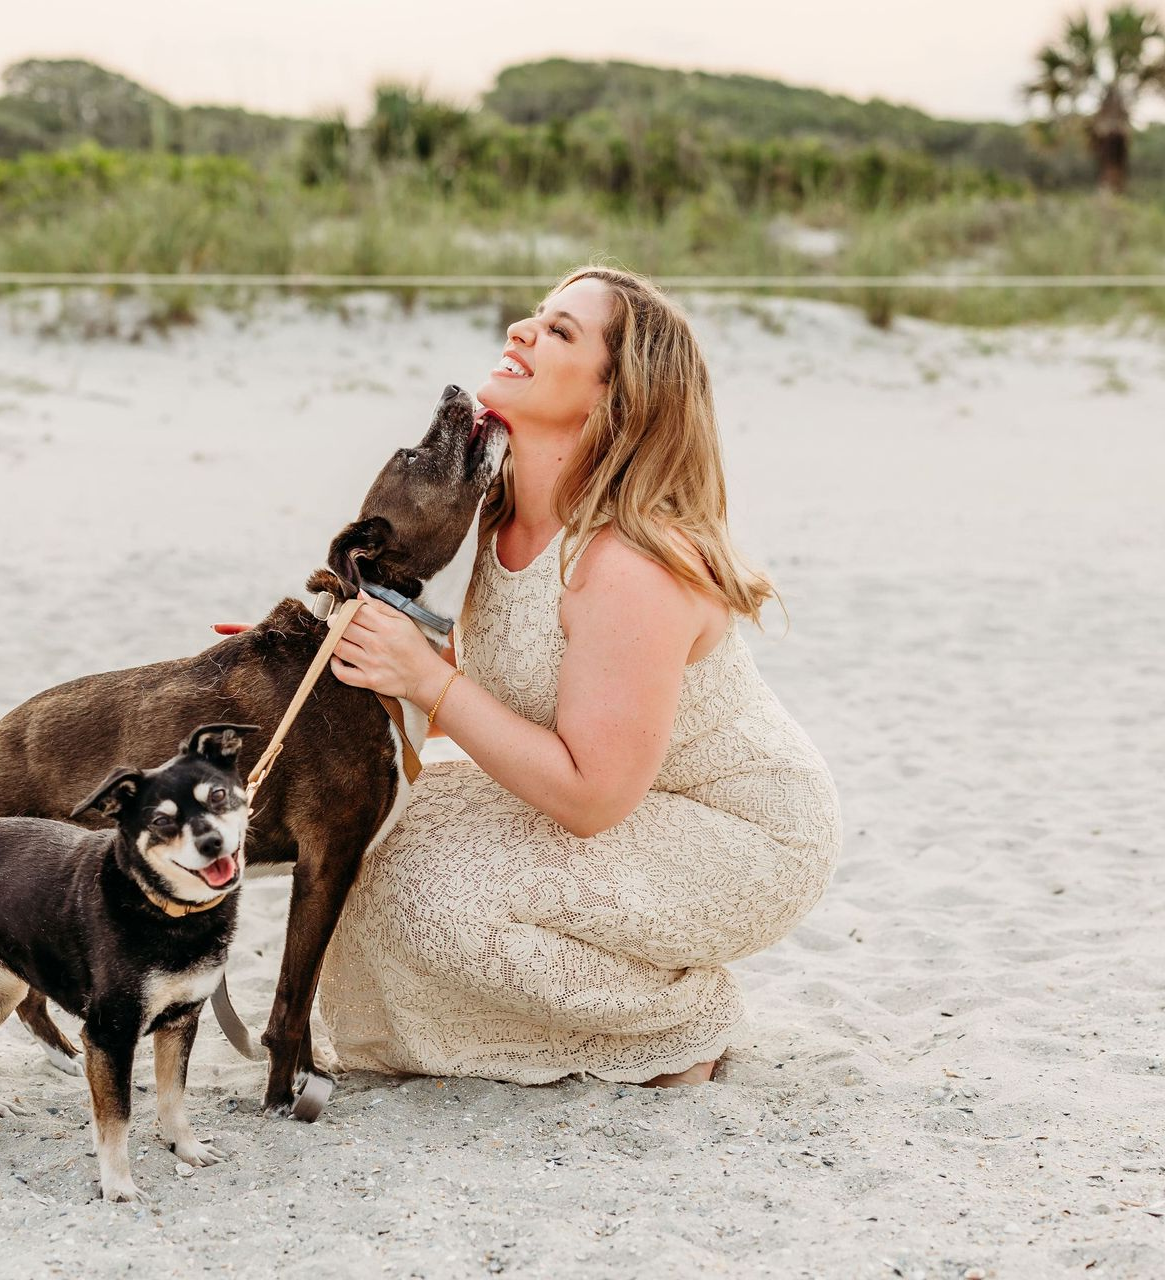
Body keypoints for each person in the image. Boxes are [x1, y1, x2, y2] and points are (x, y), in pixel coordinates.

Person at [312, 266, 841, 1086]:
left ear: (613, 399)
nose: (522, 330)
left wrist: (425, 678)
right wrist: (331, 665)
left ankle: (677, 1023)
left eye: (560, 331)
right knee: (369, 843)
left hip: (735, 830)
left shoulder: (629, 562)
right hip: (627, 791)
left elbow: (591, 796)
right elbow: (503, 687)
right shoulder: (491, 513)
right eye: (535, 316)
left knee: (444, 904)